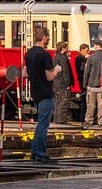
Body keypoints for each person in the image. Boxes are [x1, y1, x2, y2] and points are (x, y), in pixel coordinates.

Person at [25, 28, 61, 162]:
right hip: (45, 92)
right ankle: (40, 153)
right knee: (43, 124)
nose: (48, 40)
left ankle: (35, 151)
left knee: (41, 123)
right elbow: (49, 76)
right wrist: (57, 70)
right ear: (44, 38)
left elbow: (24, 73)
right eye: (48, 38)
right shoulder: (44, 55)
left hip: (35, 92)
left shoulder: (28, 53)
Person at [52, 41, 73, 124]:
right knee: (63, 101)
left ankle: (56, 119)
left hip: (55, 83)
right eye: (67, 47)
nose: (68, 49)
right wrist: (68, 83)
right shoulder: (63, 58)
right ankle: (61, 120)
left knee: (57, 102)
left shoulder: (55, 57)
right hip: (62, 84)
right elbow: (65, 71)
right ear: (63, 49)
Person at [75, 43, 90, 123]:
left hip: (84, 80)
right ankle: (82, 117)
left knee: (85, 100)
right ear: (82, 50)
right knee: (84, 100)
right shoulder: (79, 58)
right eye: (87, 50)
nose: (88, 52)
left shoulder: (81, 58)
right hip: (82, 80)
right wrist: (86, 59)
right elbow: (81, 68)